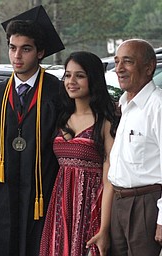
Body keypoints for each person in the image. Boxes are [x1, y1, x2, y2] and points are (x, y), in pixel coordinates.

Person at [0, 5, 65, 256]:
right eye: (12, 48)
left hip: (42, 197)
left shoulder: (57, 93)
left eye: (26, 49)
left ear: (40, 52)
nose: (17, 56)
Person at [39, 51, 117, 256]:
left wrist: (104, 228)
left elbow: (109, 180)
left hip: (91, 204)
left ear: (93, 78)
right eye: (67, 75)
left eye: (79, 75)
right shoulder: (61, 115)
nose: (71, 81)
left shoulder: (105, 121)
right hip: (60, 204)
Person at [108, 39, 162, 256]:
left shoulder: (157, 106)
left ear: (149, 68)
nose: (119, 69)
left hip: (146, 206)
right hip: (118, 203)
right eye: (117, 61)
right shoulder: (125, 105)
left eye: (127, 62)